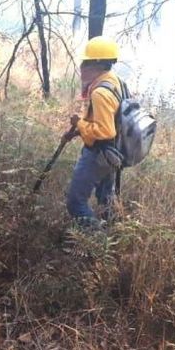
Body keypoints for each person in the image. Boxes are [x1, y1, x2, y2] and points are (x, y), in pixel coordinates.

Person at [65, 36, 125, 228]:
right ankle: (115, 236)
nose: (81, 67)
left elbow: (105, 131)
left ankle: (96, 243)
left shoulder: (100, 93)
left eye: (85, 63)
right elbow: (109, 120)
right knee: (105, 199)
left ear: (96, 65)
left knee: (76, 202)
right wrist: (77, 132)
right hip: (111, 155)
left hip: (98, 154)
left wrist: (79, 124)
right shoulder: (114, 81)